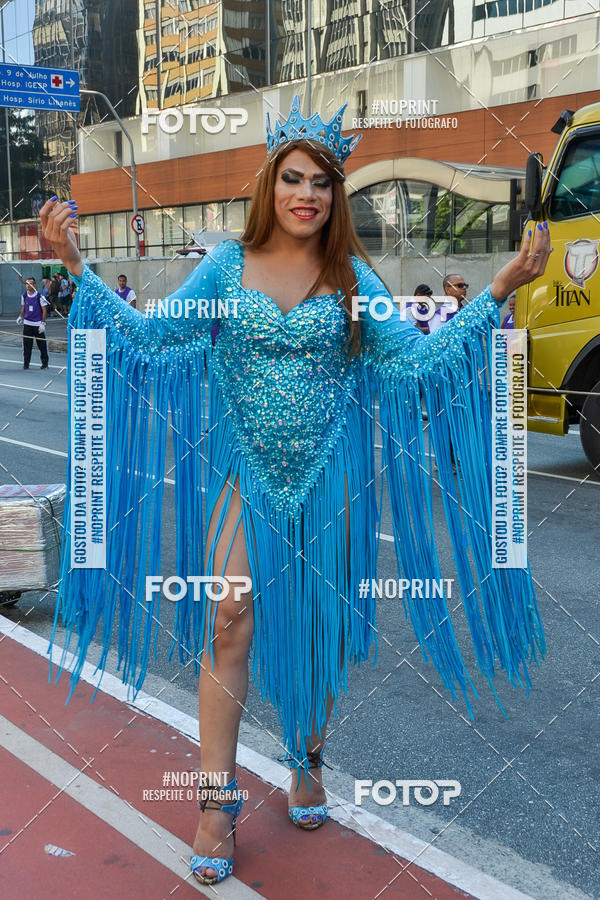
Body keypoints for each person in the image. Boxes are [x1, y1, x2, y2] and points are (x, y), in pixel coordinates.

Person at [40, 95, 552, 887]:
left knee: (313, 619)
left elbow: (415, 364)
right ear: (269, 185)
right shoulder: (224, 266)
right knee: (230, 617)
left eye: (322, 182)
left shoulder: (352, 275)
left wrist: (502, 286)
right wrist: (76, 267)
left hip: (330, 479)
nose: (306, 194)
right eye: (293, 179)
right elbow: (147, 338)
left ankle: (307, 756)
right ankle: (215, 802)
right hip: (244, 470)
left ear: (336, 195)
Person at [16, 276, 49, 370]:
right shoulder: (24, 295)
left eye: (30, 283)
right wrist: (20, 317)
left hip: (38, 324)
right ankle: (26, 364)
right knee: (27, 345)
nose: (28, 285)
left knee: (42, 345)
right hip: (27, 324)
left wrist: (43, 323)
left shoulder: (40, 296)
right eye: (26, 283)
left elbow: (44, 310)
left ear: (34, 284)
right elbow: (23, 307)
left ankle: (45, 364)